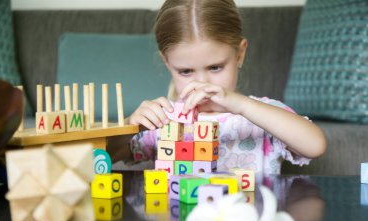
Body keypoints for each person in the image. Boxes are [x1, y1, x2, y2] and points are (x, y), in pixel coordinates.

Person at [126, 0, 327, 174]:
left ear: (240, 54)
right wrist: (129, 127)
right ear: (168, 63)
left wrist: (242, 106)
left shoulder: (261, 114)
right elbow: (102, 156)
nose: (202, 84)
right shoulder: (163, 121)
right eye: (186, 71)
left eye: (215, 67)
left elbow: (315, 146)